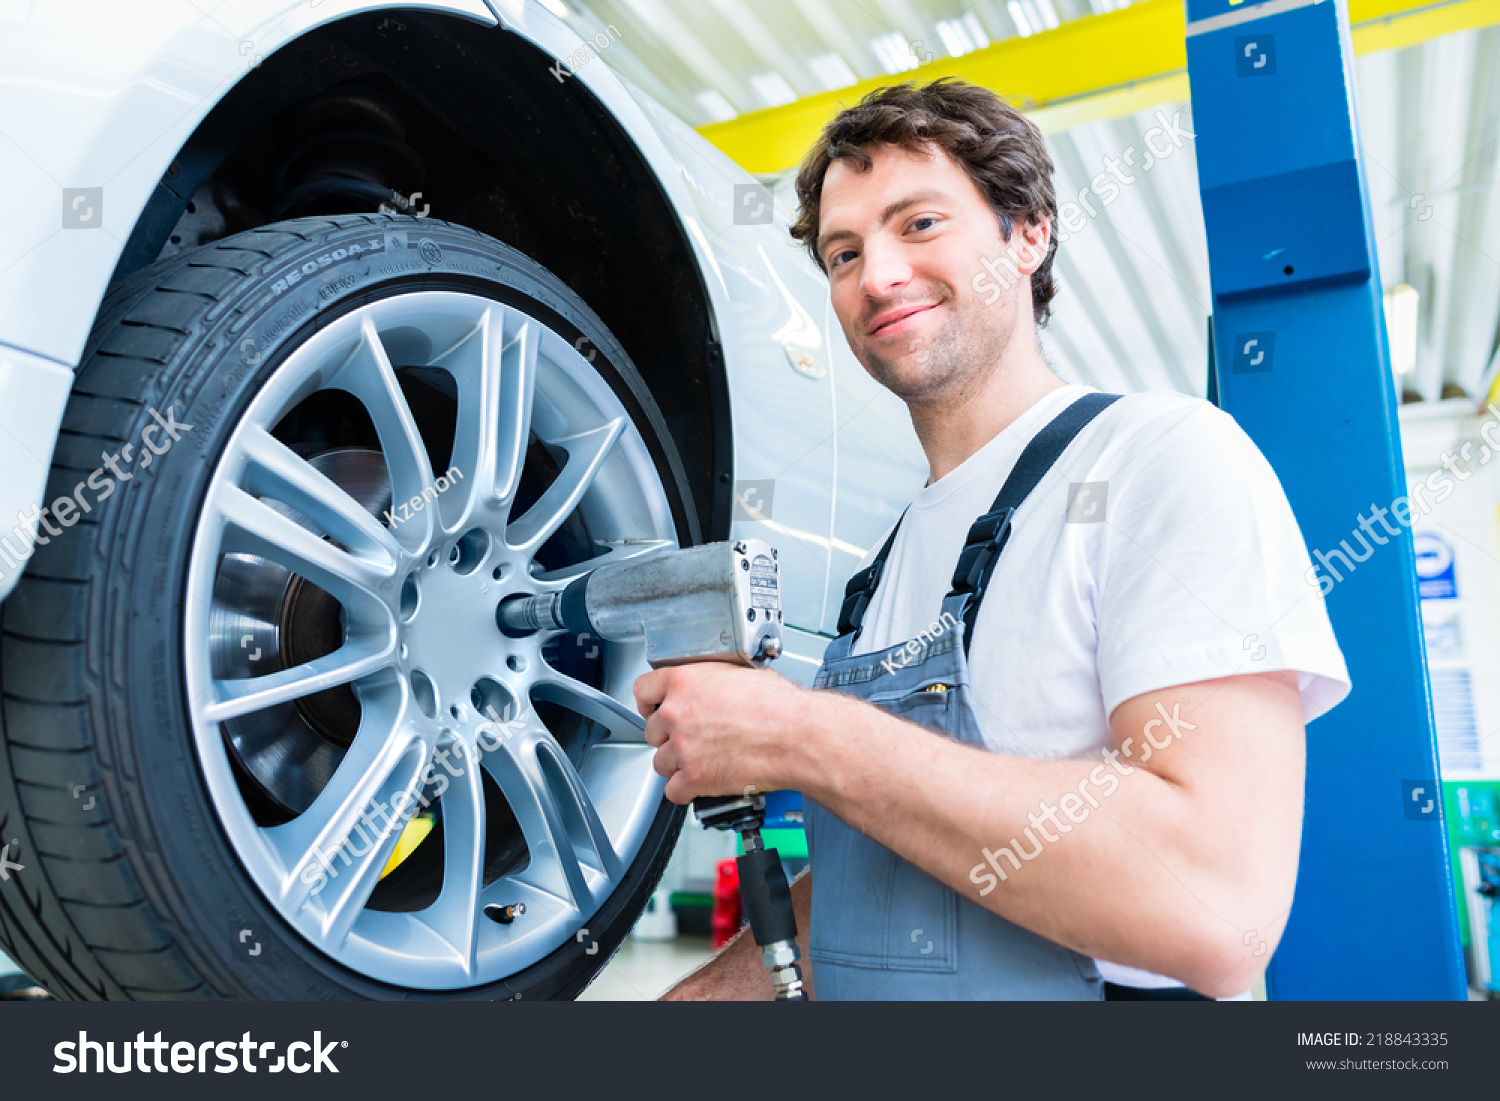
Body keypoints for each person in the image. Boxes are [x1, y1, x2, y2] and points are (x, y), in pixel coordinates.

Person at [635, 78, 1350, 1000]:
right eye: (843, 253)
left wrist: (800, 734)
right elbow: (884, 888)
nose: (877, 276)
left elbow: (1217, 910)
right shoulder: (882, 569)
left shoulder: (1161, 457)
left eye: (920, 224)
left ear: (1029, 234)